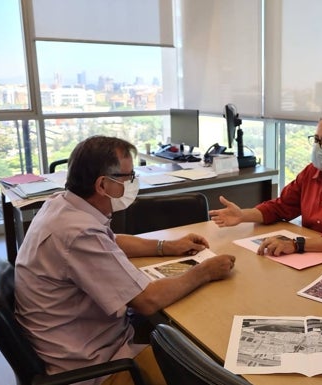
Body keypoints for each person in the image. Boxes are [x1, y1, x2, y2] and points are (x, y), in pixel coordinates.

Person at [14, 136, 236, 385]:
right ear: (102, 185)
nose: (133, 183)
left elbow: (111, 240)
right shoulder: (78, 233)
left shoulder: (63, 205)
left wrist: (167, 246)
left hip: (82, 339)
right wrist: (204, 272)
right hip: (96, 365)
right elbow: (147, 301)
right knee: (200, 371)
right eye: (128, 177)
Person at [209, 108, 322, 256]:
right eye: (316, 139)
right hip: (315, 254)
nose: (317, 147)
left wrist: (297, 245)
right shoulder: (312, 171)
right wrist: (243, 215)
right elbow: (281, 206)